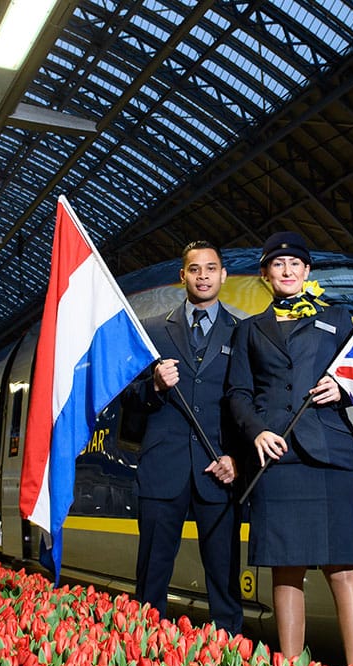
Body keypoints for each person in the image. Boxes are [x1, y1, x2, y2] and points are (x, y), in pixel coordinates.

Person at [226, 231, 353, 665]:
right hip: (277, 457)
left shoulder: (339, 318)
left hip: (330, 455)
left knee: (342, 566)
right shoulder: (248, 331)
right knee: (286, 568)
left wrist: (345, 387)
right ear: (265, 275)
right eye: (277, 265)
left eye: (295, 264)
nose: (287, 271)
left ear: (307, 272)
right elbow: (237, 393)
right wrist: (255, 432)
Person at [124, 241, 243, 635]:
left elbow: (248, 405)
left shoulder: (242, 333)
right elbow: (128, 400)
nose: (204, 276)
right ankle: (143, 652)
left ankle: (229, 656)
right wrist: (153, 386)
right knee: (152, 573)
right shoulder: (153, 329)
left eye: (211, 269)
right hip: (163, 469)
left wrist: (237, 458)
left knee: (224, 580)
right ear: (183, 277)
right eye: (195, 269)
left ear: (223, 276)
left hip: (218, 472)